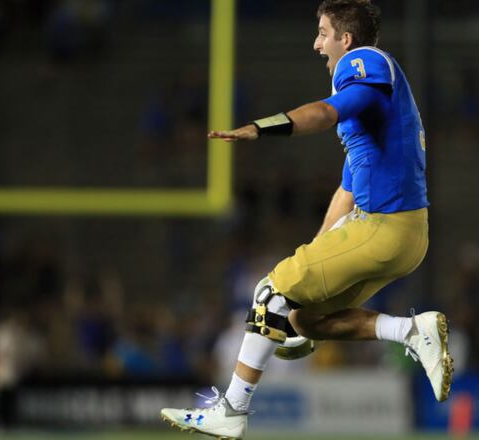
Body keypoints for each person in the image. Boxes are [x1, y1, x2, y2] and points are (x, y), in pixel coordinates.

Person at [160, 1, 453, 438]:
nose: (317, 44)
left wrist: (263, 127)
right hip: (404, 235)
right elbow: (348, 188)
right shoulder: (375, 115)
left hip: (384, 227)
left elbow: (325, 112)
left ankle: (232, 410)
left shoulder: (363, 62)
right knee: (302, 318)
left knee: (268, 292)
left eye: (322, 32)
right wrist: (316, 250)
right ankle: (412, 330)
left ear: (346, 39)